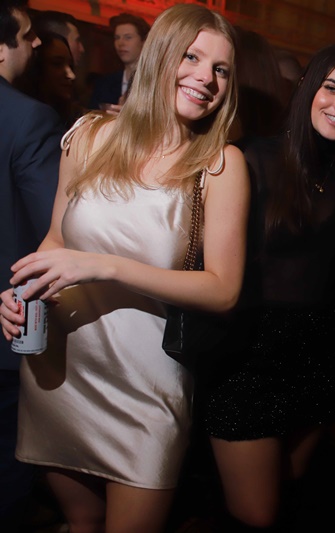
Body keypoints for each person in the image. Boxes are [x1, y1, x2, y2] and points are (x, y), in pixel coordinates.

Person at [0, 4, 247, 531]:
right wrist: (19, 296)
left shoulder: (220, 164)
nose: (206, 78)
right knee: (80, 522)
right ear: (160, 56)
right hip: (62, 370)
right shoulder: (88, 136)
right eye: (192, 57)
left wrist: (106, 266)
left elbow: (224, 289)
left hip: (147, 386)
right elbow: (55, 240)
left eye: (221, 69)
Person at [203, 42, 335, 530]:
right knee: (255, 512)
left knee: (290, 490)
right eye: (332, 88)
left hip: (317, 360)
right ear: (306, 88)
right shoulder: (250, 157)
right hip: (247, 360)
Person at [0, 2, 63, 528]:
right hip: (8, 323)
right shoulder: (28, 118)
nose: (37, 42)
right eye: (26, 35)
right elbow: (54, 231)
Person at [88, 12, 150, 112]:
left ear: (144, 41)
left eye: (128, 37)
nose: (121, 43)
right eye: (117, 38)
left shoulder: (153, 83)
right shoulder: (104, 84)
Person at [21, 31, 81, 131]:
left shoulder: (76, 118)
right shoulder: (26, 118)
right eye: (57, 64)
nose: (71, 75)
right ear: (36, 66)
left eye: (70, 65)